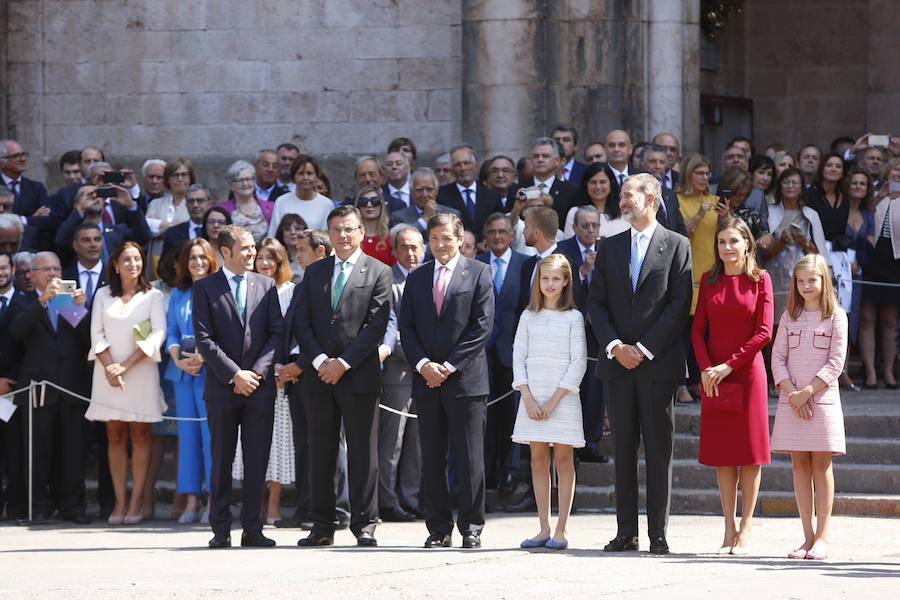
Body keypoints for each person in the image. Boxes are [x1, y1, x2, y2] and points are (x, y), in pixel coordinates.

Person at [588, 173, 693, 555]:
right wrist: (617, 346)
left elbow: (679, 305)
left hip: (658, 364)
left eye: (630, 194)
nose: (623, 200)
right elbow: (595, 303)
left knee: (659, 450)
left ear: (651, 199)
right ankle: (625, 532)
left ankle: (658, 534)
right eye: (623, 195)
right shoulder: (610, 245)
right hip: (617, 364)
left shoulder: (677, 244)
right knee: (624, 449)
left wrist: (644, 349)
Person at [293, 206, 392, 547]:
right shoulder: (315, 272)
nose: (343, 236)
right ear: (329, 234)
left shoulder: (379, 271)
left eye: (349, 229)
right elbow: (301, 322)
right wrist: (321, 361)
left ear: (361, 232)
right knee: (321, 452)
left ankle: (364, 524)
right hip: (319, 376)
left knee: (364, 454)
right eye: (336, 230)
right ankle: (322, 525)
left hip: (358, 375)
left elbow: (375, 325)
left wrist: (344, 363)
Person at [399, 212, 494, 549]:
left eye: (447, 238)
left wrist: (449, 367)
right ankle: (438, 528)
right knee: (433, 457)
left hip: (465, 382)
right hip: (426, 382)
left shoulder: (479, 272)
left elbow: (481, 327)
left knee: (470, 459)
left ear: (459, 238)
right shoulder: (417, 277)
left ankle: (472, 527)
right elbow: (406, 327)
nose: (440, 244)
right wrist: (424, 365)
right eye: (434, 238)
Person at [193, 224, 284, 549]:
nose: (252, 253)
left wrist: (255, 374)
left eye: (252, 247)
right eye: (244, 248)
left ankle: (252, 528)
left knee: (257, 459)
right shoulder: (205, 288)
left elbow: (277, 334)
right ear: (226, 252)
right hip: (222, 387)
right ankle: (220, 529)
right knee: (221, 459)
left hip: (259, 388)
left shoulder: (266, 284)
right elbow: (204, 339)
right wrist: (235, 375)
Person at [692, 217, 774, 556]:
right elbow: (697, 331)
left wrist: (729, 364)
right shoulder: (709, 281)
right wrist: (707, 368)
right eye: (722, 241)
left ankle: (746, 525)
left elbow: (764, 332)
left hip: (748, 373)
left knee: (750, 455)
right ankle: (727, 526)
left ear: (747, 244)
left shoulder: (760, 280)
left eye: (734, 241)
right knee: (724, 455)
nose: (727, 247)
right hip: (715, 376)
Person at [770, 253, 848, 561]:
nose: (806, 286)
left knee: (821, 466)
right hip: (793, 402)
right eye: (800, 281)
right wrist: (792, 394)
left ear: (824, 280)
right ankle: (806, 537)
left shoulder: (836, 316)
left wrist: (808, 392)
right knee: (799, 466)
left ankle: (822, 538)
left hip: (821, 402)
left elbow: (836, 362)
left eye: (812, 280)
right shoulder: (791, 315)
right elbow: (777, 358)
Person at [85, 242, 166, 525]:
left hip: (140, 372)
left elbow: (157, 334)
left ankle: (137, 501)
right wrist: (110, 367)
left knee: (141, 435)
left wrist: (125, 366)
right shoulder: (103, 295)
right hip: (107, 374)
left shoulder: (153, 295)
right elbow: (96, 333)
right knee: (115, 435)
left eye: (137, 259)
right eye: (127, 260)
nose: (133, 264)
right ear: (116, 265)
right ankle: (119, 501)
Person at [8, 251, 92, 523]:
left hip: (70, 386)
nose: (53, 274)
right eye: (46, 269)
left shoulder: (68, 303)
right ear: (32, 274)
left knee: (72, 452)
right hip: (37, 390)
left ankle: (72, 507)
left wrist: (82, 308)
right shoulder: (22, 302)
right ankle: (38, 508)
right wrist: (43, 302)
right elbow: (17, 332)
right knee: (37, 452)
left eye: (57, 268)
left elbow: (87, 339)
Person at [512, 254, 586, 550]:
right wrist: (528, 397)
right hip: (532, 398)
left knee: (565, 460)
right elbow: (518, 356)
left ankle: (561, 529)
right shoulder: (528, 316)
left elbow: (578, 362)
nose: (550, 284)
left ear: (567, 280)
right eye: (545, 278)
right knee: (538, 460)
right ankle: (543, 528)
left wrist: (554, 400)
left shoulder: (573, 317)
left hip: (563, 399)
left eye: (556, 278)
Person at [231, 238, 296, 525]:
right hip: (251, 378)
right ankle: (252, 506)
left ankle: (274, 505)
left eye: (273, 258)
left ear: (282, 262)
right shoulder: (249, 287)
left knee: (278, 445)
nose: (266, 263)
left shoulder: (291, 292)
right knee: (253, 448)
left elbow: (291, 333)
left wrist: (287, 368)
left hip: (283, 379)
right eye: (261, 258)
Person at [164, 239, 218, 524]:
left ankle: (213, 499)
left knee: (211, 438)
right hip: (183, 372)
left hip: (211, 373)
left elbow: (225, 331)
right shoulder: (178, 293)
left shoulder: (221, 290)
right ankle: (191, 498)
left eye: (202, 257)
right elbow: (171, 331)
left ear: (211, 259)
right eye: (192, 258)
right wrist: (177, 358)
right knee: (188, 439)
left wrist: (205, 357)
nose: (197, 262)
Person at [378, 225, 427, 521]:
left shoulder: (430, 277)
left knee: (418, 442)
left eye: (416, 247)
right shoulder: (387, 280)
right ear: (394, 250)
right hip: (398, 372)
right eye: (405, 247)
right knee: (391, 442)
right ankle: (387, 500)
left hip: (428, 375)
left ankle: (411, 498)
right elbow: (388, 330)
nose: (411, 253)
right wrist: (420, 358)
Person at [477, 213, 528, 494]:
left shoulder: (524, 264)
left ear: (511, 235)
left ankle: (511, 472)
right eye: (492, 232)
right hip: (481, 353)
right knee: (487, 417)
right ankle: (488, 472)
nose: (497, 237)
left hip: (512, 350)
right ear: (485, 235)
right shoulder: (477, 264)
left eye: (502, 232)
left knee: (511, 415)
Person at [677, 154, 721, 403]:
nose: (704, 178)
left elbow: (725, 234)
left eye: (707, 173)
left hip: (712, 273)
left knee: (706, 333)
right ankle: (682, 383)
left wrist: (725, 216)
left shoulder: (715, 201)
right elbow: (681, 234)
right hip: (689, 272)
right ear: (688, 175)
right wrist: (699, 216)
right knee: (685, 332)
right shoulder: (678, 200)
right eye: (699, 173)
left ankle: (698, 381)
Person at [765, 167, 830, 321]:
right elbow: (763, 252)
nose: (790, 186)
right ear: (780, 186)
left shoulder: (811, 214)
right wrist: (781, 242)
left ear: (801, 188)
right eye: (786, 182)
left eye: (795, 183)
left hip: (802, 276)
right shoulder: (769, 211)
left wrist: (804, 242)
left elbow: (820, 254)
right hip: (773, 275)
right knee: (773, 322)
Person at [859, 158, 900, 389]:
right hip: (870, 261)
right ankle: (871, 371)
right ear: (887, 171)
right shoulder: (873, 191)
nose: (898, 174)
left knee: (890, 319)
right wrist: (881, 195)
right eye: (896, 169)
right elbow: (862, 215)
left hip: (895, 263)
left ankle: (888, 370)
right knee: (866, 317)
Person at [436, 144, 503, 240]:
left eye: (466, 163)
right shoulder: (441, 195)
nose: (463, 168)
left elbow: (499, 224)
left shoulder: (492, 195)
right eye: (458, 164)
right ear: (452, 169)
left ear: (475, 165)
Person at [145, 158, 194, 273]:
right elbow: (148, 229)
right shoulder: (155, 204)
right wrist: (175, 227)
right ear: (168, 180)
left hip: (184, 257)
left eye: (184, 175)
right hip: (157, 255)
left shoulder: (194, 204)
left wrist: (162, 226)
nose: (180, 179)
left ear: (190, 178)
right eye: (175, 175)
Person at [268, 155, 334, 235]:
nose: (305, 177)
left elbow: (328, 236)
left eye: (309, 173)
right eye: (301, 173)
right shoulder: (281, 201)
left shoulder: (327, 204)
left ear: (316, 176)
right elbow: (273, 235)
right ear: (293, 177)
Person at [563, 162, 626, 238]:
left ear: (611, 183)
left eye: (602, 182)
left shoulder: (624, 212)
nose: (598, 187)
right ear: (586, 184)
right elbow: (569, 246)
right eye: (593, 182)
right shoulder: (574, 213)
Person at [219, 160, 275, 242]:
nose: (245, 183)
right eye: (240, 180)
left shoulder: (271, 207)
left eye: (248, 179)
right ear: (231, 185)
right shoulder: (222, 210)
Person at [161, 183, 214, 259]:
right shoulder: (173, 233)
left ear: (210, 204)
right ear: (186, 205)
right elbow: (164, 266)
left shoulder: (217, 232)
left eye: (200, 201)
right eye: (191, 201)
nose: (195, 205)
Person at [354, 186, 395, 266]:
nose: (369, 205)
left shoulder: (391, 239)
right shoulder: (352, 238)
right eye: (364, 201)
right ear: (358, 206)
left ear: (381, 205)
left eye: (374, 201)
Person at [273, 213, 308, 283]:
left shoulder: (312, 256)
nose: (293, 232)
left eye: (298, 229)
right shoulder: (275, 258)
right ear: (281, 233)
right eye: (287, 229)